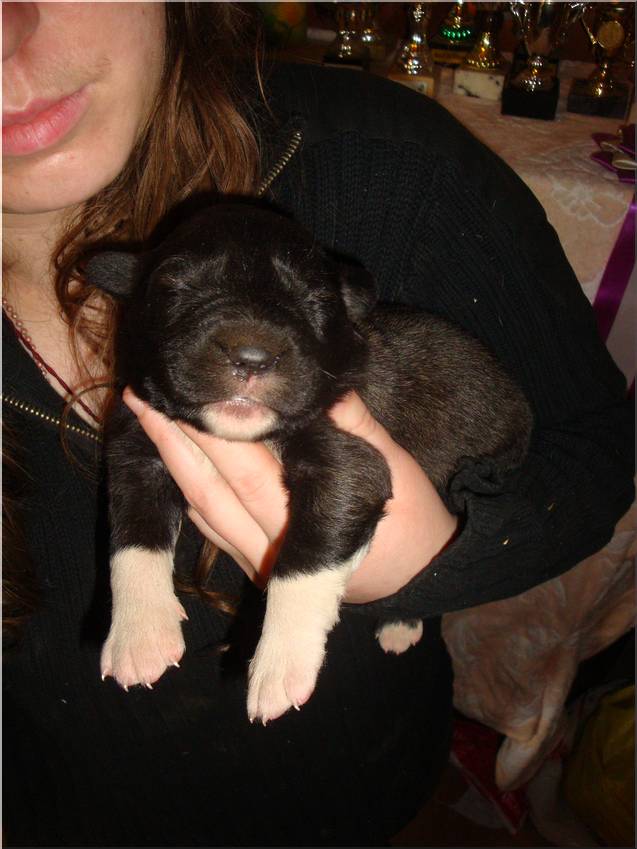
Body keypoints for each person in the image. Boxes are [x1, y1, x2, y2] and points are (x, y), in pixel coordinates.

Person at [2, 3, 633, 847]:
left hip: (365, 792)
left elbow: (593, 452)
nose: (5, 33)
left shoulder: (387, 164)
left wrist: (435, 563)